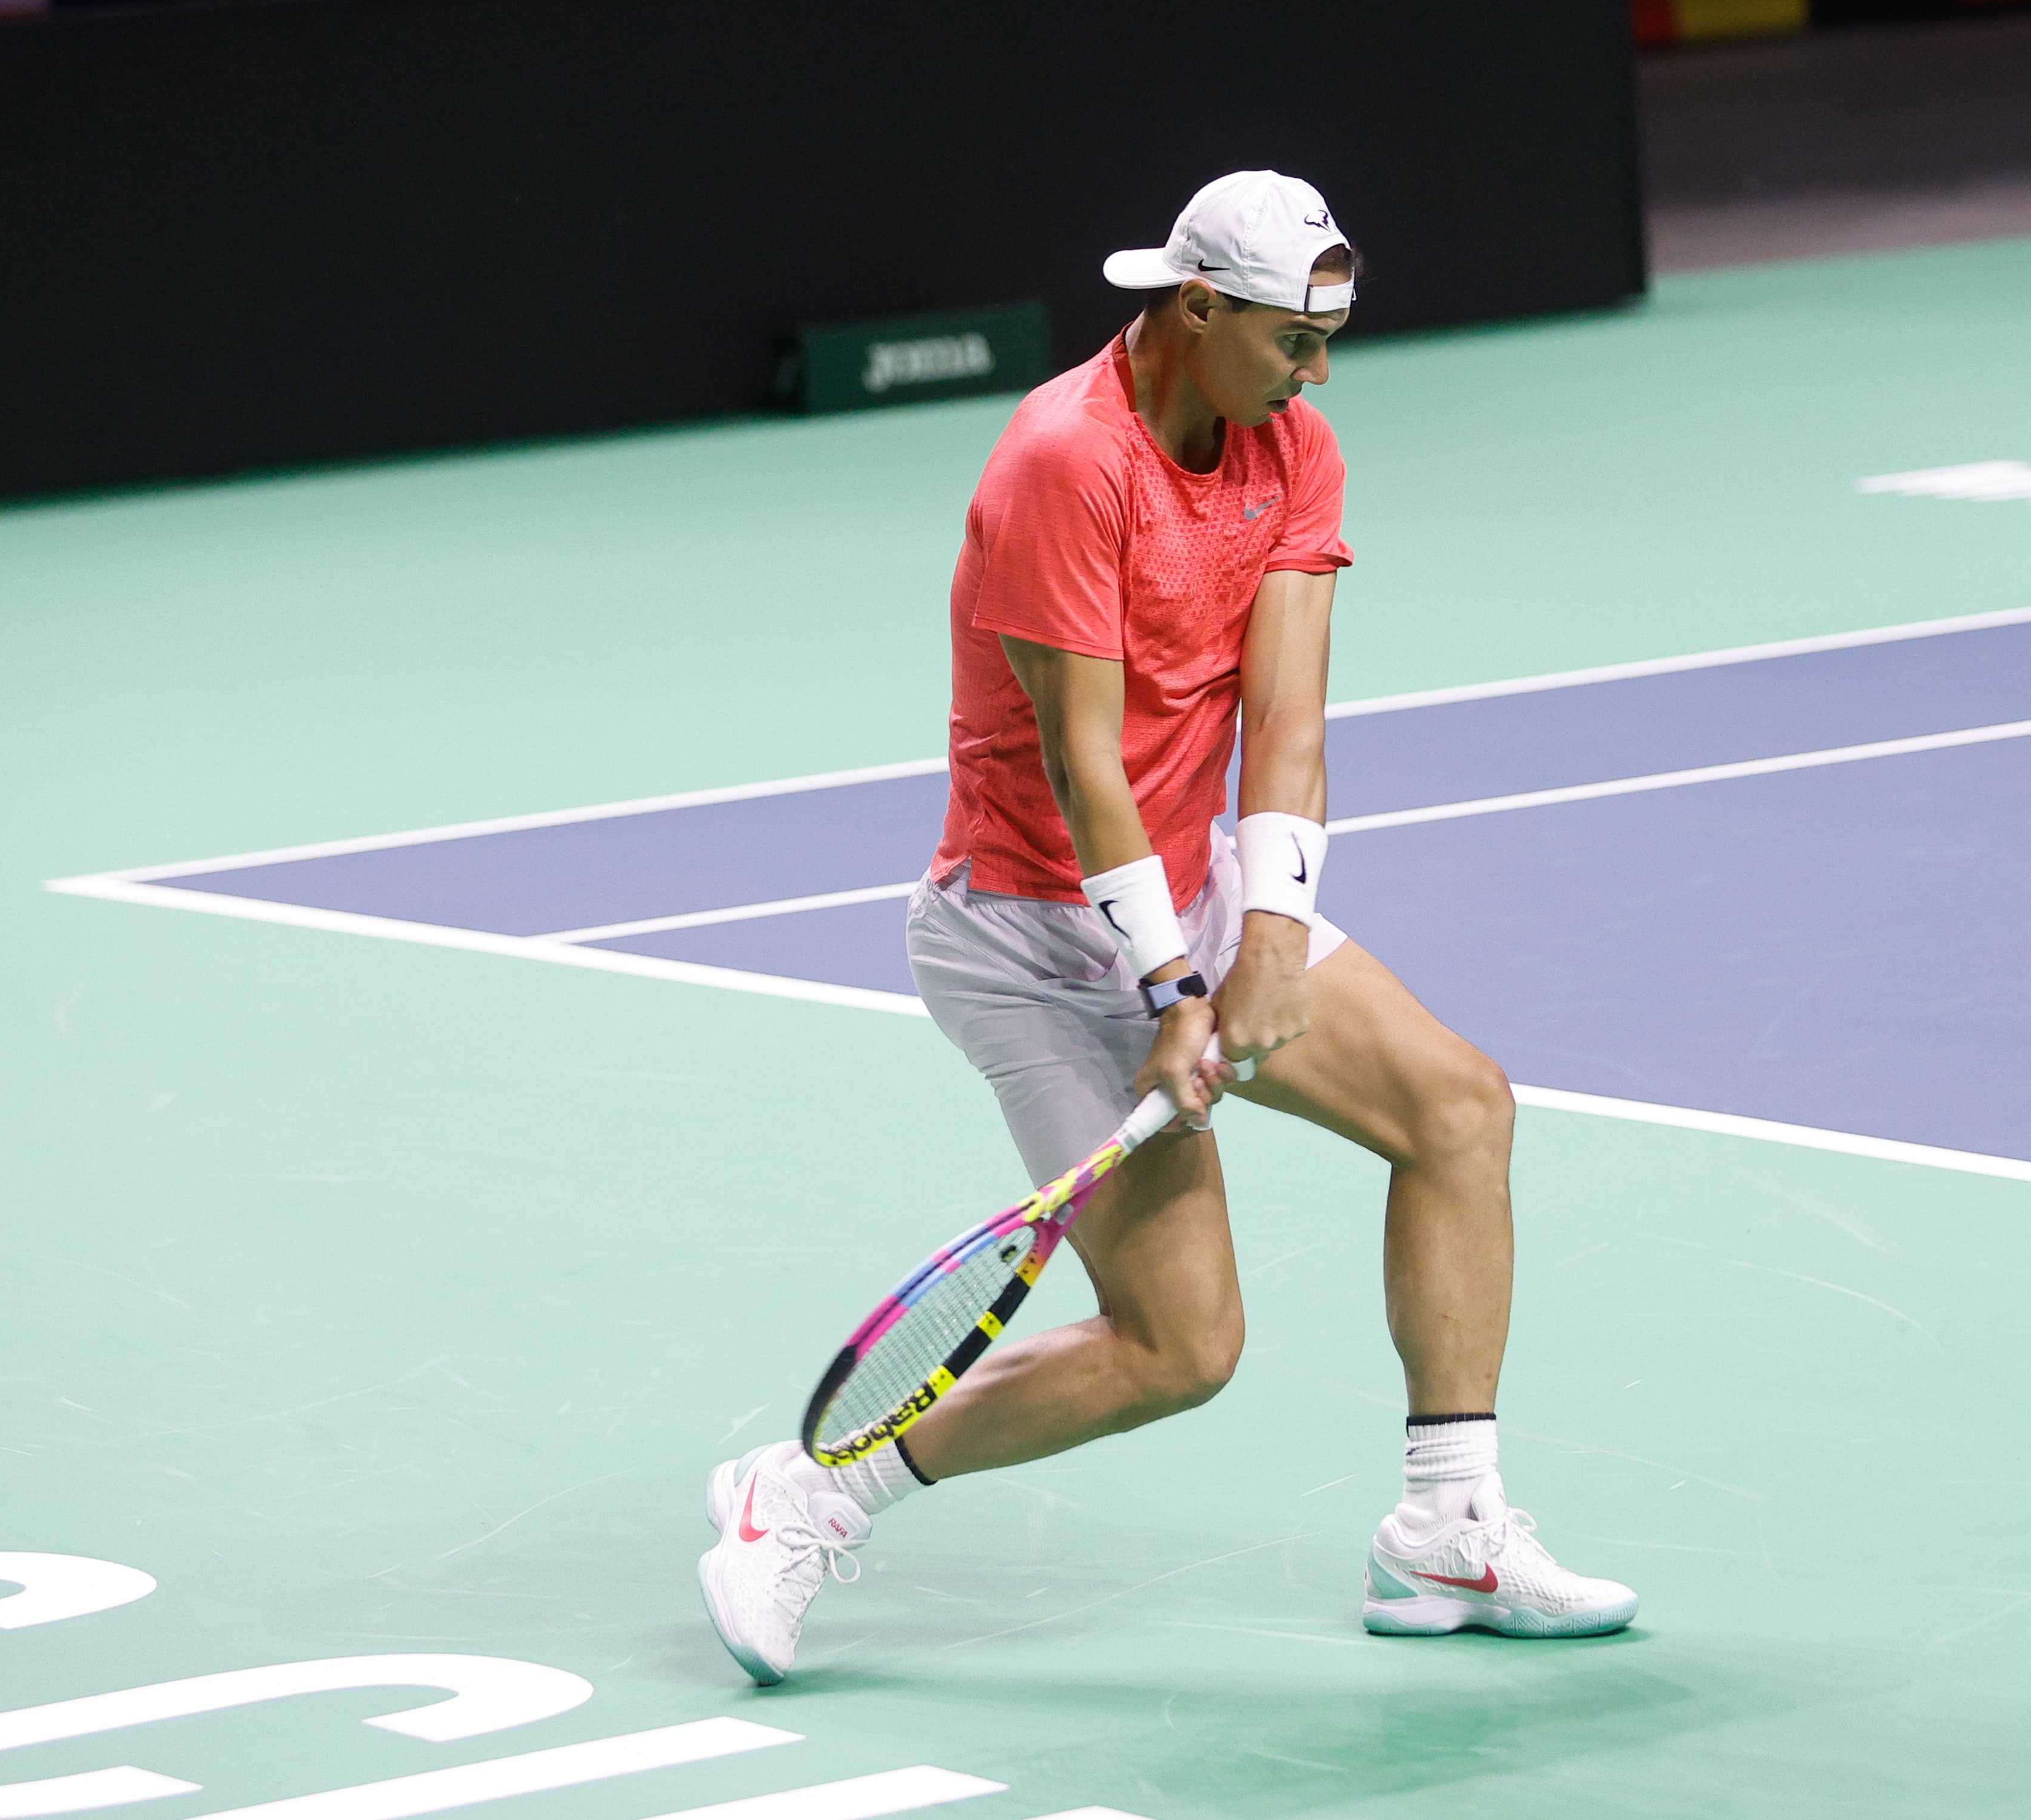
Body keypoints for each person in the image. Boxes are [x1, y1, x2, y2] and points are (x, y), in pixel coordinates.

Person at [696, 170, 1634, 1684]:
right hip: (1029, 935)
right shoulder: (1065, 460)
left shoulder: (1294, 448)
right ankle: (800, 1496)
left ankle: (1448, 1524)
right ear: (1196, 308)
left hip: (1183, 896)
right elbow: (1083, 765)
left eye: (1330, 337)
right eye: (1291, 340)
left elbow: (1292, 721)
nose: (1318, 372)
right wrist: (1177, 985)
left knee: (1460, 1109)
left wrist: (1268, 936)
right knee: (1179, 1347)